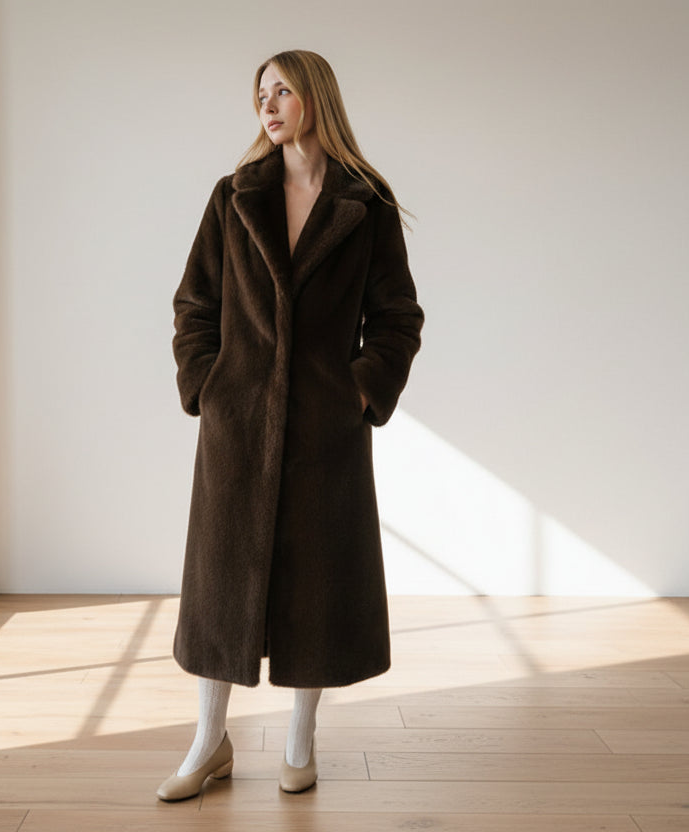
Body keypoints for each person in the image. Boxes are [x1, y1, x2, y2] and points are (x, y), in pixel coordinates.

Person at [160, 49, 424, 802]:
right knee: (222, 580)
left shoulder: (365, 204)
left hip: (325, 428)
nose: (268, 105)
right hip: (237, 422)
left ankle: (301, 737)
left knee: (316, 583)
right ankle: (209, 740)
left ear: (317, 98)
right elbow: (194, 306)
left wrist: (361, 394)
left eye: (283, 90)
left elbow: (398, 317)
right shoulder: (233, 197)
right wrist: (206, 387)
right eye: (260, 94)